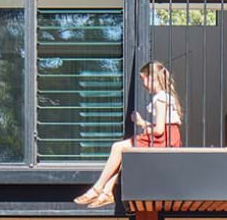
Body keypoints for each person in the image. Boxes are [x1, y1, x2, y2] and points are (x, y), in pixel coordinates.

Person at [74, 62, 182, 207]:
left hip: (164, 139)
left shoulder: (160, 98)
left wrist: (141, 123)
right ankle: (107, 192)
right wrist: (143, 123)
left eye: (143, 79)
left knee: (117, 147)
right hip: (169, 138)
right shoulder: (165, 96)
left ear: (151, 78)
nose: (143, 84)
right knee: (122, 152)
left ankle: (97, 188)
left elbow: (159, 130)